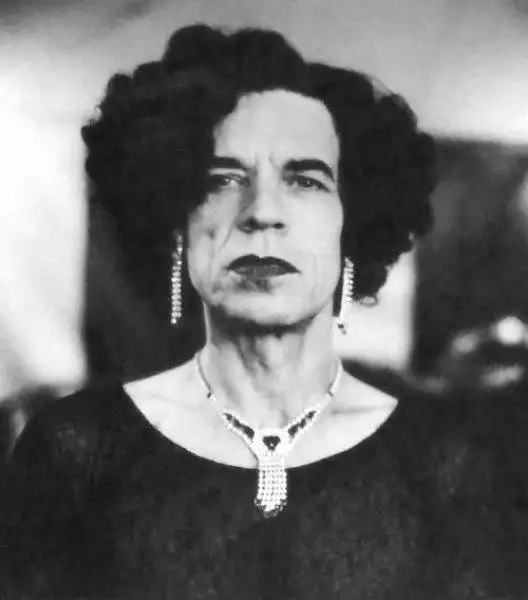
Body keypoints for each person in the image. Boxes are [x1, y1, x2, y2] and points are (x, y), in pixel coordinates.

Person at [2, 24, 527, 600]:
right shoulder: (73, 449)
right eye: (223, 179)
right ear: (177, 227)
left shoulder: (447, 460)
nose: (262, 213)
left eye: (305, 180)